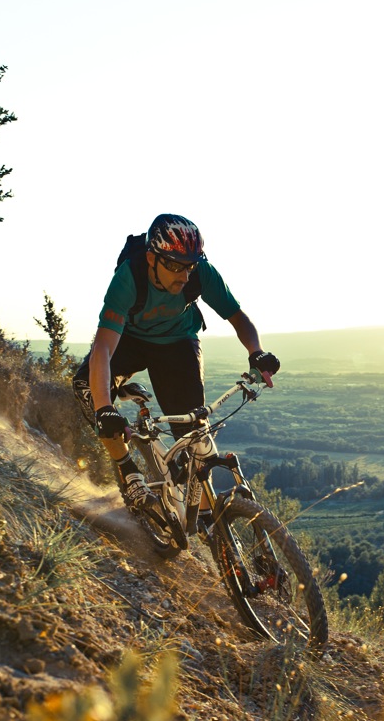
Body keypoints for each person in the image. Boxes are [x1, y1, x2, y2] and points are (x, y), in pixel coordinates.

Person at [72, 213, 280, 521]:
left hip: (177, 342)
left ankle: (207, 517)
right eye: (174, 266)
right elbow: (103, 347)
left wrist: (256, 352)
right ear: (152, 258)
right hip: (129, 340)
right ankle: (128, 472)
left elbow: (237, 317)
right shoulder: (130, 277)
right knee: (87, 390)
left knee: (194, 431)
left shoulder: (201, 273)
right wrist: (104, 409)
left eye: (189, 266)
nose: (184, 276)